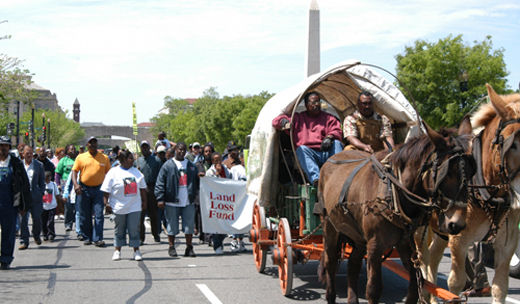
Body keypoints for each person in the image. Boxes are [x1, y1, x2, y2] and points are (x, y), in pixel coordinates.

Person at [272, 91, 343, 186]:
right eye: (313, 102)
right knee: (301, 149)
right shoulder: (298, 118)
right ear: (306, 105)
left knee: (337, 144)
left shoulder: (328, 118)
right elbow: (275, 121)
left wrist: (330, 137)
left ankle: (338, 175)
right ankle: (317, 180)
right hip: (309, 154)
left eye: (318, 102)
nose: (316, 105)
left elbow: (337, 130)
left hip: (325, 151)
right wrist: (283, 121)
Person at [101, 150, 147, 261]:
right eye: (131, 158)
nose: (133, 160)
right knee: (119, 229)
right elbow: (106, 190)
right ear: (123, 160)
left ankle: (136, 250)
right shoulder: (113, 172)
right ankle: (117, 250)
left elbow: (143, 189)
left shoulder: (136, 172)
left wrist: (144, 202)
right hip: (118, 207)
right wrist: (106, 203)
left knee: (134, 229)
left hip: (134, 206)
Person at [155, 142, 199, 258]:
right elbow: (160, 183)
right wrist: (160, 198)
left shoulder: (191, 166)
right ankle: (171, 246)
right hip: (171, 201)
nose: (182, 152)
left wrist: (196, 196)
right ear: (175, 150)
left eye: (184, 150)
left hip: (188, 201)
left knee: (189, 226)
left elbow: (197, 183)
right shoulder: (168, 165)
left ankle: (189, 248)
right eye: (179, 149)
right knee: (171, 226)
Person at [71, 136, 110, 247]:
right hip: (84, 189)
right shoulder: (81, 157)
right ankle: (87, 236)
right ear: (87, 145)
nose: (93, 145)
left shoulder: (104, 158)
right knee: (85, 215)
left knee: (99, 214)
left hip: (99, 189)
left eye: (94, 143)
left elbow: (109, 174)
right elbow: (74, 172)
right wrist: (76, 185)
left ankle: (98, 238)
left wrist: (108, 190)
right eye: (90, 143)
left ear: (97, 144)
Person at [0, 135, 31, 269]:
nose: (3, 148)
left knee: (8, 232)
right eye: (1, 146)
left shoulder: (16, 163)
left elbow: (24, 185)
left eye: (5, 146)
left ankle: (6, 259)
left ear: (9, 148)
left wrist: (24, 205)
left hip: (10, 203)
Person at [19, 145, 45, 250]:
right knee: (23, 220)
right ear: (23, 154)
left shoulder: (39, 165)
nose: (29, 154)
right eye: (27, 153)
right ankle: (24, 241)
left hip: (35, 197)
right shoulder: (19, 165)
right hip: (24, 198)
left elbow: (42, 181)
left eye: (30, 152)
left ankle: (36, 235)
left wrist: (41, 192)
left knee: (37, 219)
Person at [136, 141, 162, 244]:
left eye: (146, 147)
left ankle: (156, 234)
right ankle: (141, 237)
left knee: (154, 215)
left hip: (152, 189)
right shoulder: (137, 161)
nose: (144, 149)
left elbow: (160, 176)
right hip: (141, 190)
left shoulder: (156, 160)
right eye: (143, 147)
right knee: (141, 215)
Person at [205, 152, 231, 255]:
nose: (218, 162)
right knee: (216, 225)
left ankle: (220, 241)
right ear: (212, 162)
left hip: (225, 201)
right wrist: (217, 175)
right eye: (216, 160)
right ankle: (217, 245)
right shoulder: (209, 172)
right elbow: (210, 185)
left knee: (224, 225)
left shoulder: (226, 170)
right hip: (214, 202)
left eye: (219, 159)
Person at [55, 144, 77, 232]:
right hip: (66, 185)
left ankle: (77, 224)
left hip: (76, 185)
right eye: (71, 149)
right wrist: (58, 184)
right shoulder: (63, 160)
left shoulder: (78, 160)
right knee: (68, 206)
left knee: (77, 205)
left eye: (74, 149)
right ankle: (68, 224)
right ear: (67, 151)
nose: (73, 151)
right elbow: (57, 173)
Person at [229, 151, 247, 252]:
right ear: (240, 159)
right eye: (244, 158)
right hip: (237, 197)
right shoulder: (235, 169)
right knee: (236, 219)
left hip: (247, 198)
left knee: (244, 220)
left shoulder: (252, 169)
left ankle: (241, 240)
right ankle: (234, 240)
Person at [42, 171, 60, 241]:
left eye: (48, 178)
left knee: (50, 221)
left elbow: (57, 194)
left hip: (52, 206)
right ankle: (44, 234)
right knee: (43, 221)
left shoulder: (53, 184)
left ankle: (51, 234)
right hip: (43, 206)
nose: (47, 180)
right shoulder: (42, 185)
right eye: (45, 178)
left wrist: (60, 202)